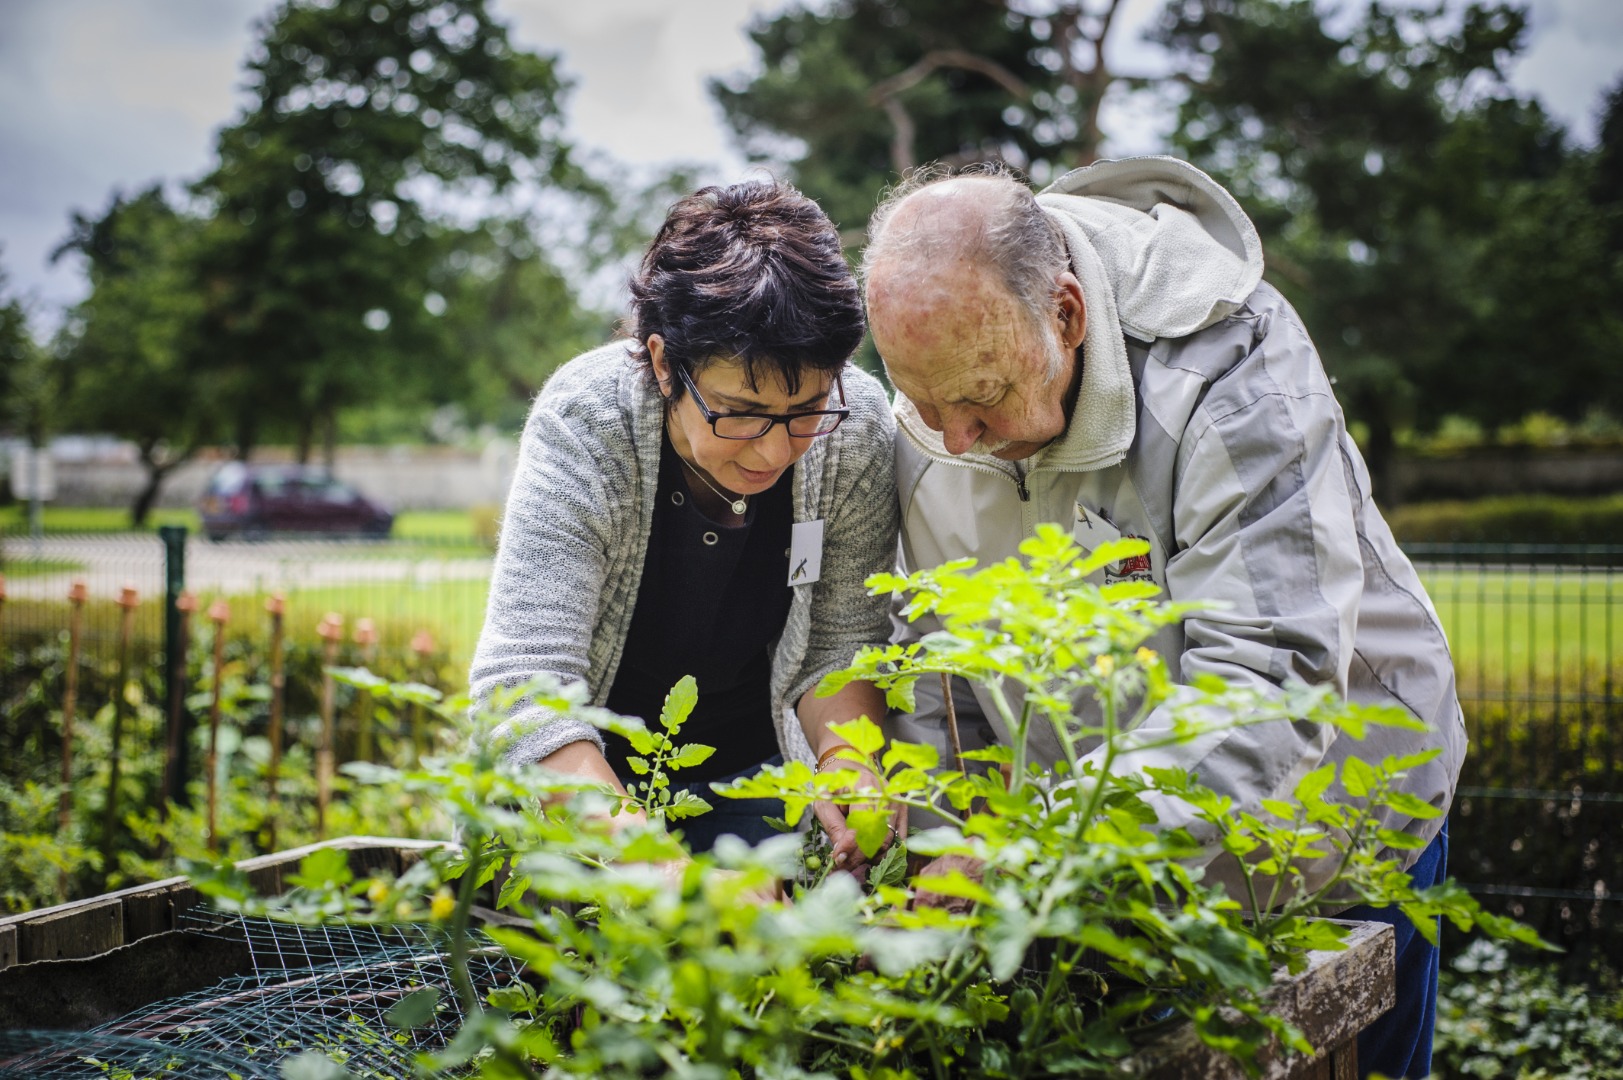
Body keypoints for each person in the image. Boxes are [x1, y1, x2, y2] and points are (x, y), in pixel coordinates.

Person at [861, 157, 1463, 1079]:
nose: (951, 439)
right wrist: (959, 837)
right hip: (1095, 873)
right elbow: (944, 662)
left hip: (1336, 830)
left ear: (1065, 314)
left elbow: (1268, 681)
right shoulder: (946, 392)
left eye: (978, 398)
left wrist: (1033, 859)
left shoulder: (1228, 363)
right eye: (920, 398)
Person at [469, 179, 899, 867]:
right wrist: (651, 863)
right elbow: (524, 685)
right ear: (664, 363)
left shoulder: (855, 429)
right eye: (740, 412)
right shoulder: (588, 421)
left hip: (755, 777)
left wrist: (848, 759)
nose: (773, 450)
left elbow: (842, 642)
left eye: (807, 411)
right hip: (584, 783)